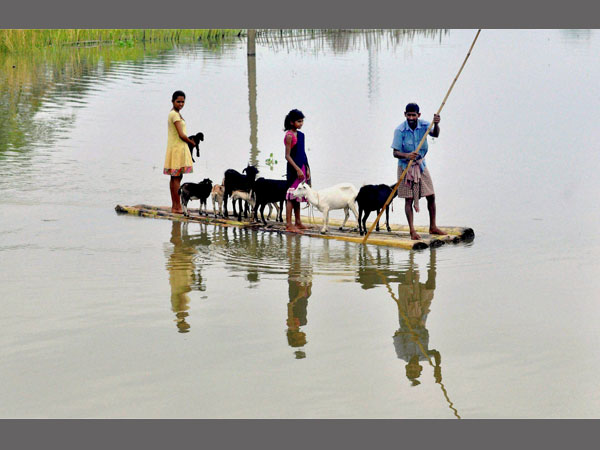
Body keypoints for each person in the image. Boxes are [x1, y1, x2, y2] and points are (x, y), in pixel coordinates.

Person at [391, 102, 446, 240]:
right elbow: (395, 153)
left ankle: (433, 226)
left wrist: (436, 123)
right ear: (405, 114)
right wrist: (407, 156)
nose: (410, 118)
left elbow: (435, 134)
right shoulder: (400, 131)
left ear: (418, 115)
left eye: (413, 115)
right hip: (405, 167)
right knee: (408, 199)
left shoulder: (424, 125)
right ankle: (412, 231)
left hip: (420, 166)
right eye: (408, 115)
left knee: (431, 195)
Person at [164, 90, 198, 214]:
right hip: (177, 149)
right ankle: (177, 207)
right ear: (172, 101)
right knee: (176, 178)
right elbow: (181, 134)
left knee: (176, 177)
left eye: (183, 102)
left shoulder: (176, 114)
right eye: (178, 101)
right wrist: (191, 142)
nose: (181, 104)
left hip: (176, 148)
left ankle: (175, 205)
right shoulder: (174, 115)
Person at [283, 109, 310, 233]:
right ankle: (289, 224)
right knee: (291, 196)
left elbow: (303, 153)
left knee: (298, 195)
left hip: (302, 167)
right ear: (292, 122)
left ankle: (298, 222)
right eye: (299, 121)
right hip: (294, 169)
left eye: (302, 121)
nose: (301, 123)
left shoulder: (301, 135)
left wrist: (307, 168)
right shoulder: (289, 136)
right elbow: (287, 156)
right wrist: (297, 169)